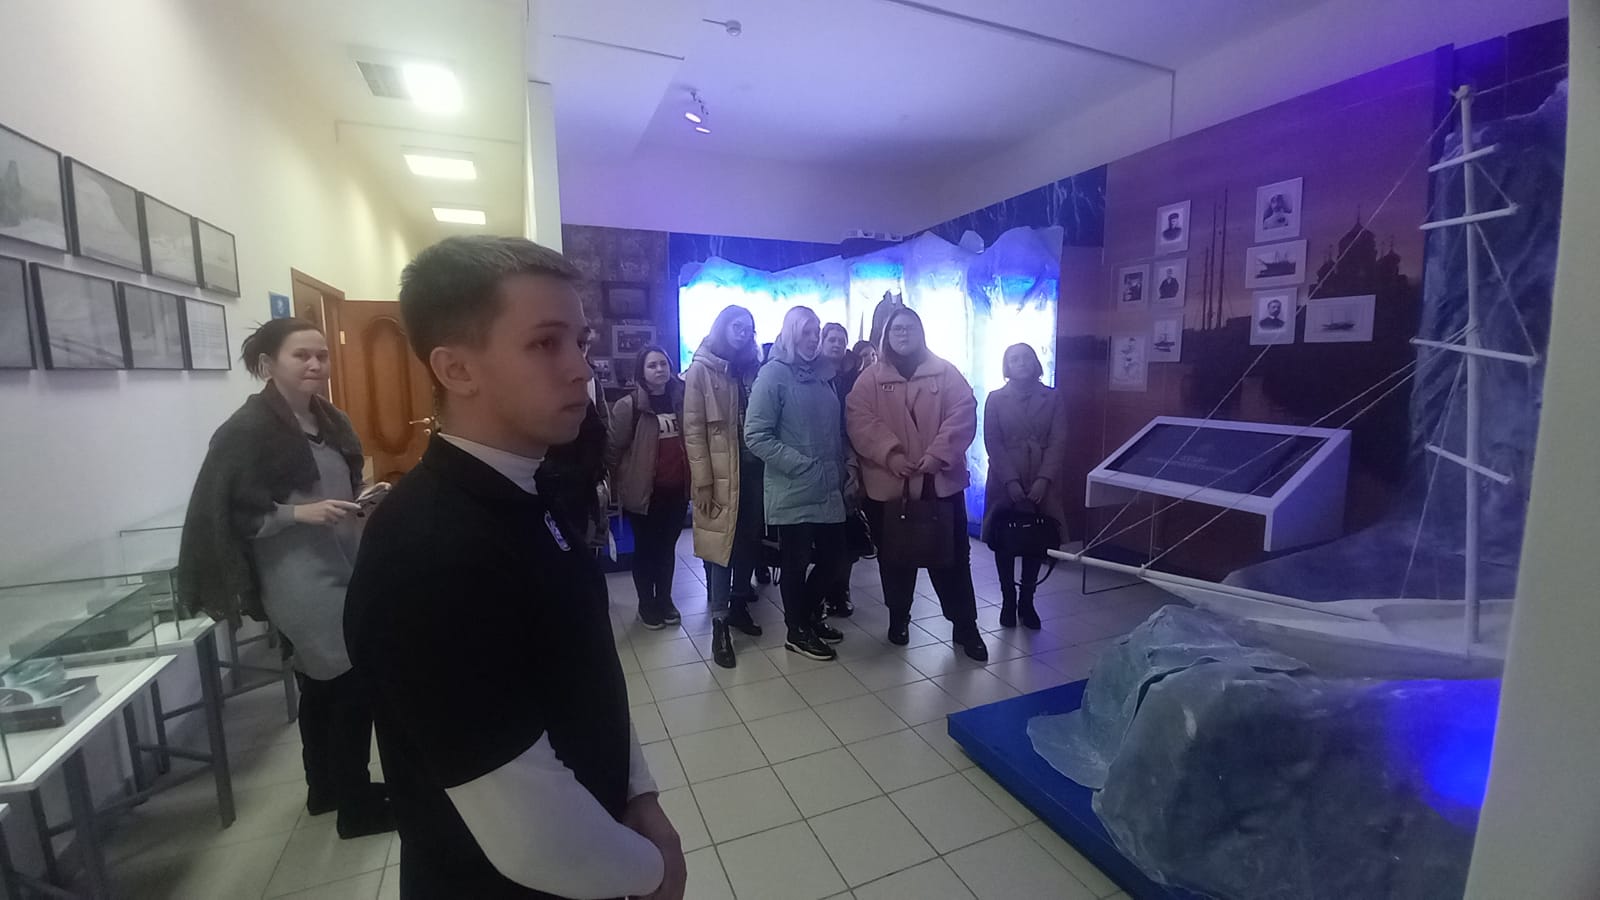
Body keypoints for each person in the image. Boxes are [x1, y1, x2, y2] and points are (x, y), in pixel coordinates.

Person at [344, 236, 685, 899]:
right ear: (456, 369)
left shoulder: (533, 487)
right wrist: (653, 871)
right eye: (545, 343)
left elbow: (584, 668)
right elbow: (532, 834)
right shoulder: (429, 552)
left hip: (597, 837)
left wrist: (637, 791)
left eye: (580, 342)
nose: (581, 369)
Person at [177, 317, 394, 839]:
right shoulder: (245, 431)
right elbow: (225, 516)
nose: (316, 364)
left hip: (341, 563)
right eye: (302, 355)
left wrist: (361, 500)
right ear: (268, 364)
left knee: (319, 685)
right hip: (298, 579)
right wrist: (298, 514)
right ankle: (356, 806)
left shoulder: (330, 420)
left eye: (322, 354)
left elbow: (334, 488)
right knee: (350, 681)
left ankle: (326, 790)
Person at [847, 307, 988, 662]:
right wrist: (891, 454)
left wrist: (938, 455)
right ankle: (899, 618)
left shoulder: (945, 372)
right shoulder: (870, 379)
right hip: (890, 486)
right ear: (886, 335)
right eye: (896, 328)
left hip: (940, 484)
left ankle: (965, 625)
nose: (903, 333)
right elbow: (859, 420)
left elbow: (962, 413)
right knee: (895, 559)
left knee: (953, 558)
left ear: (920, 332)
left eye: (909, 327)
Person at [745, 307, 849, 662]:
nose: (813, 338)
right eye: (806, 331)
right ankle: (797, 630)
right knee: (795, 562)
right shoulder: (773, 374)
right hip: (793, 485)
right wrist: (799, 465)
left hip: (827, 484)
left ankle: (807, 616)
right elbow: (755, 435)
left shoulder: (823, 374)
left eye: (816, 331)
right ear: (790, 333)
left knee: (836, 559)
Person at [683, 305, 766, 653]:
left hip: (753, 469)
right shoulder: (701, 369)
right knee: (721, 547)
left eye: (748, 327)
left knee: (748, 540)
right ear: (723, 327)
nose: (743, 332)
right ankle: (720, 623)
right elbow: (693, 429)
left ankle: (738, 605)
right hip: (719, 474)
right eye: (737, 325)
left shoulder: (752, 368)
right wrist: (702, 481)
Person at [982, 344, 1069, 630]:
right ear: (1006, 365)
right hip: (1005, 477)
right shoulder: (996, 398)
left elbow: (1059, 441)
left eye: (1026, 358)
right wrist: (1010, 481)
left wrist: (1044, 479)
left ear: (1036, 362)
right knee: (1005, 539)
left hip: (1041, 475)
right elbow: (992, 442)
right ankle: (1008, 600)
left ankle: (1027, 601)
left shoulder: (1053, 397)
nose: (1021, 363)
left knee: (1035, 538)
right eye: (1014, 359)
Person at [608, 345, 691, 630]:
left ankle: (665, 600)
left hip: (676, 490)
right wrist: (618, 486)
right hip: (644, 493)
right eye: (652, 365)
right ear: (641, 371)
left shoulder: (681, 401)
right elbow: (614, 450)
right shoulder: (628, 406)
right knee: (646, 550)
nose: (659, 370)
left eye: (663, 364)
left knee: (667, 549)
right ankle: (647, 604)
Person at [539, 326, 612, 551]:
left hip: (581, 481)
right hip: (547, 481)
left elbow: (599, 428)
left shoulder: (589, 379)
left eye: (582, 344)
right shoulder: (538, 384)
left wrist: (593, 471)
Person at [820, 322, 861, 619]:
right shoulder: (813, 375)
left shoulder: (853, 379)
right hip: (821, 459)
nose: (836, 344)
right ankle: (820, 590)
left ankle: (840, 590)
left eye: (841, 340)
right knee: (823, 534)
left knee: (848, 530)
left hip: (850, 457)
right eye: (831, 339)